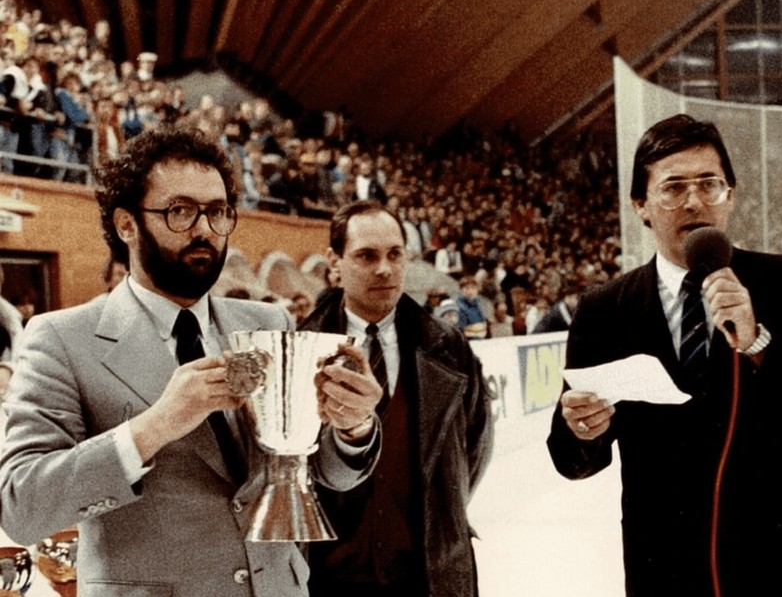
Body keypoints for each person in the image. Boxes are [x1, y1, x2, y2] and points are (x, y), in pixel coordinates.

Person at [0, 128, 383, 596]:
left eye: (218, 212)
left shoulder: (269, 320)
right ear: (126, 224)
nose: (205, 229)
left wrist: (354, 427)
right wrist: (154, 426)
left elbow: (325, 473)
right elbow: (22, 508)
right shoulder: (61, 338)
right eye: (180, 211)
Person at [546, 114, 782, 596]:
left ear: (730, 196)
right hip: (667, 570)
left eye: (709, 184)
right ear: (641, 205)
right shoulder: (604, 311)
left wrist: (758, 341)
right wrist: (581, 428)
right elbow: (573, 460)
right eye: (673, 188)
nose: (694, 200)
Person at [299, 200, 494, 596]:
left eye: (394, 254)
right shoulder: (301, 347)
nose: (384, 269)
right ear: (334, 263)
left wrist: (444, 517)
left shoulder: (450, 347)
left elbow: (475, 446)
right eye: (366, 256)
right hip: (329, 579)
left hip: (427, 575)